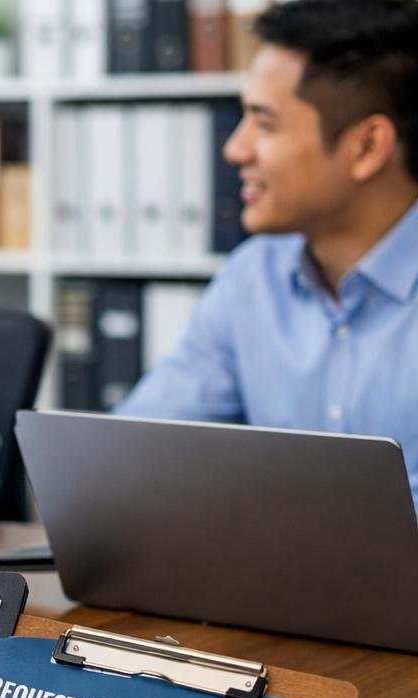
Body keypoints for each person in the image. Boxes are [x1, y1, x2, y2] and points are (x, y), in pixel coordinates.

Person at [119, 0, 418, 501]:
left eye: (265, 123)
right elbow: (129, 457)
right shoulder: (252, 277)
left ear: (366, 147)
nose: (235, 149)